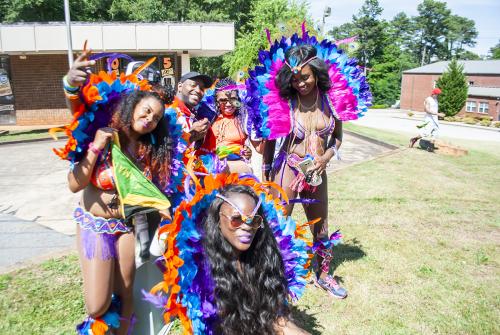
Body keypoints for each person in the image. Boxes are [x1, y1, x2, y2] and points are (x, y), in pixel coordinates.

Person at [246, 27, 371, 300]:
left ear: (316, 73)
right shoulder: (286, 102)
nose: (300, 83)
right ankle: (269, 279)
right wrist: (267, 174)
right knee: (279, 224)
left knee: (321, 225)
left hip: (318, 172)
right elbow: (269, 141)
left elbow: (337, 138)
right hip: (287, 170)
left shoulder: (331, 102)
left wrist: (326, 158)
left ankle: (324, 275)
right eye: (295, 79)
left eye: (305, 78)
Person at [60, 51, 172, 335]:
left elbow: (154, 194)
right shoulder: (104, 132)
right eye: (146, 111)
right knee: (97, 306)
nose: (149, 119)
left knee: (125, 297)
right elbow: (75, 184)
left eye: (156, 118)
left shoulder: (149, 152)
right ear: (133, 106)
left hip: (125, 227)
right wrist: (96, 146)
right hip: (94, 225)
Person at [145, 174, 313, 334]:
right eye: (236, 219)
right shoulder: (200, 270)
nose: (247, 226)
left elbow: (277, 319)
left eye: (254, 220)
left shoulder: (265, 258)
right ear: (218, 220)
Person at [202, 78, 263, 174]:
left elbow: (260, 149)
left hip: (237, 170)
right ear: (216, 101)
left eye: (233, 99)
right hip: (211, 170)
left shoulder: (244, 118)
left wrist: (270, 131)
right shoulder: (209, 117)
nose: (229, 104)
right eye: (223, 100)